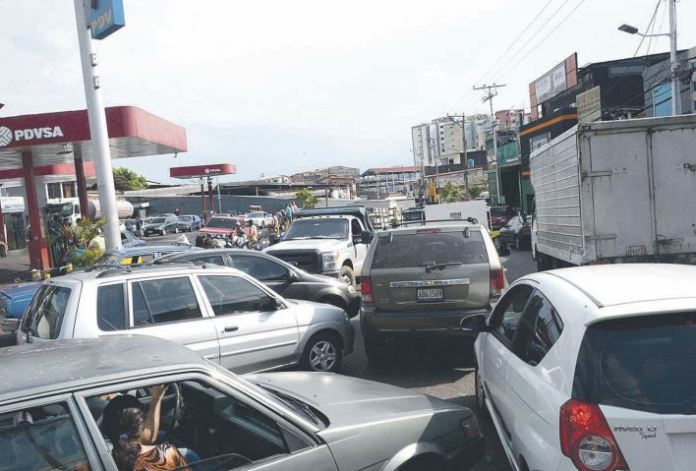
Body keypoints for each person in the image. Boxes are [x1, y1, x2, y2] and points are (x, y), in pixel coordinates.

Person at [103, 389, 189, 471]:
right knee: (189, 453)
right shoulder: (168, 454)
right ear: (141, 426)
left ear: (107, 429)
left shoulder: (102, 461)